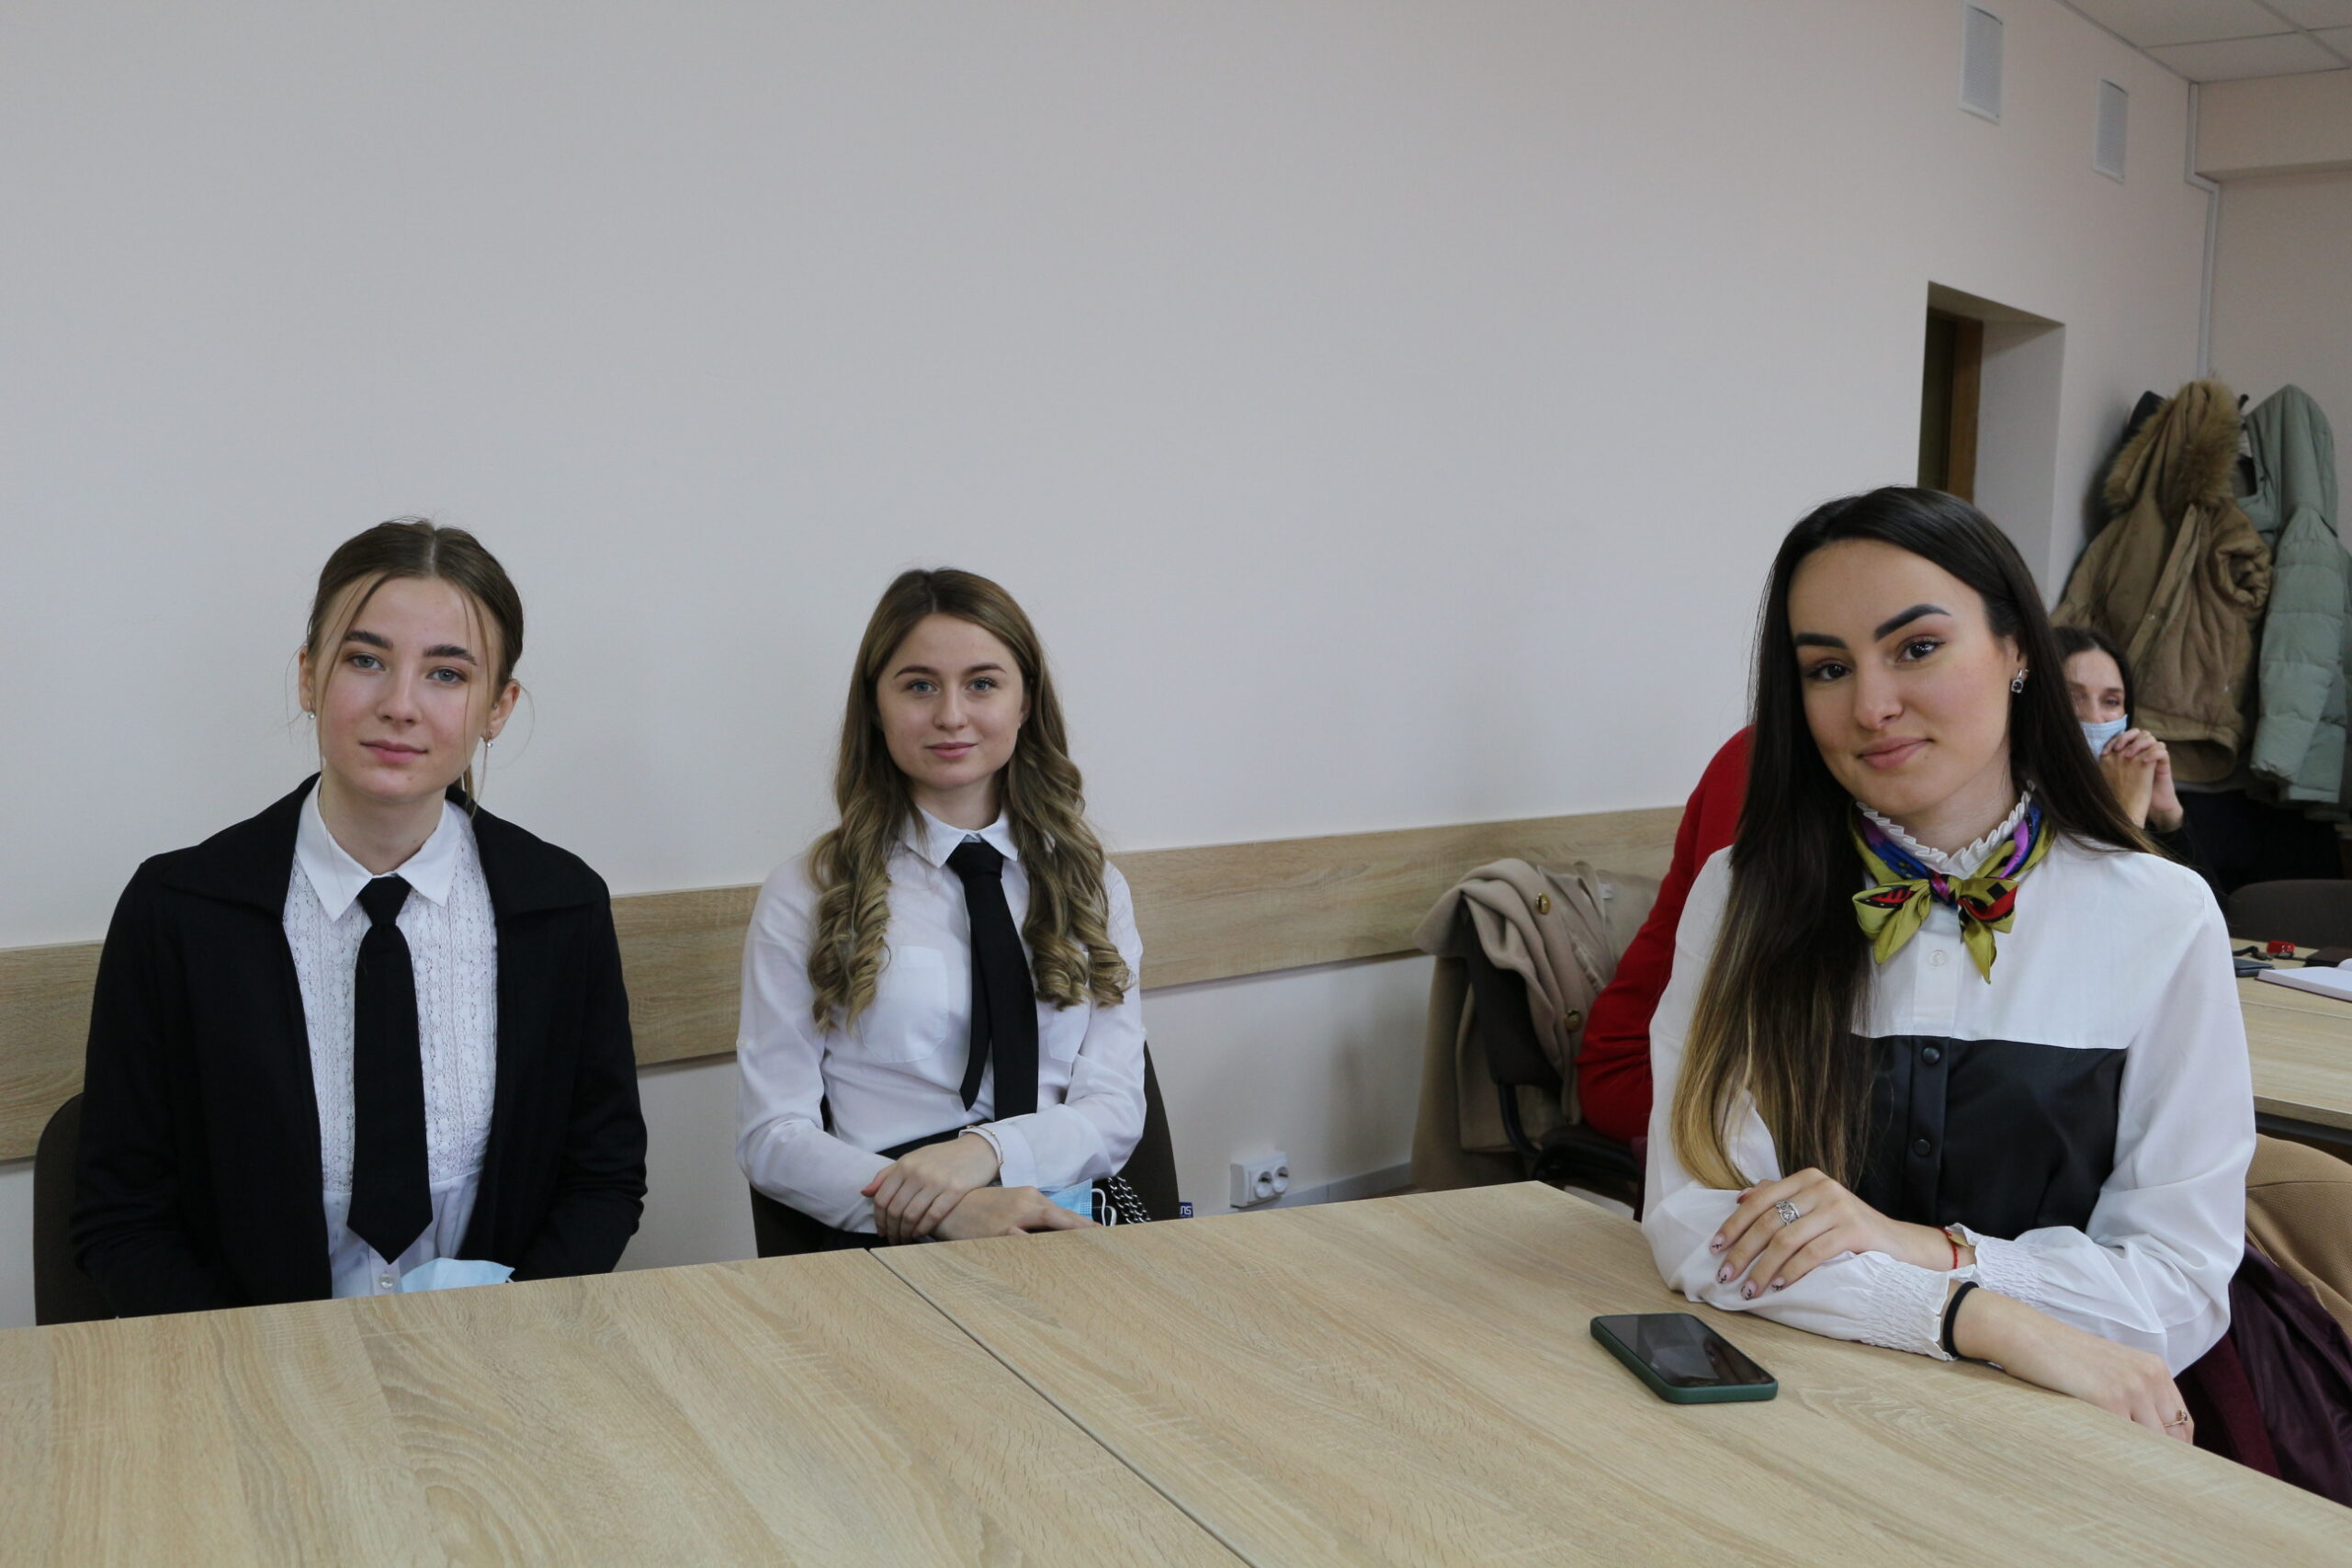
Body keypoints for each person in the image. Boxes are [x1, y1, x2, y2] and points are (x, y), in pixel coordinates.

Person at [1645, 486, 2251, 1450]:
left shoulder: (2161, 913)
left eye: (1917, 648)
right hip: (1793, 1418)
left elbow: (2175, 1285)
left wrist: (1918, 1249)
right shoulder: (1741, 894)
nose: (1871, 706)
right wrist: (1977, 1316)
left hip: (2070, 1437)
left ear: (2017, 651)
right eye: (1828, 668)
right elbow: (1699, 1226)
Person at [74, 519, 648, 1316]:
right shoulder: (178, 912)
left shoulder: (561, 906)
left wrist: (506, 1327)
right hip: (250, 1363)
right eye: (365, 660)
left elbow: (603, 1177)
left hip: (501, 1355)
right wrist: (266, 1359)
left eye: (447, 674)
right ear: (309, 676)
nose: (399, 705)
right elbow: (122, 1214)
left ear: (498, 706)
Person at [737, 568, 1145, 1246]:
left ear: (1024, 702)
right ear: (876, 706)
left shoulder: (1091, 883)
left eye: (982, 683)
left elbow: (1117, 1106)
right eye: (920, 685)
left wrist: (988, 1151)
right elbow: (772, 1136)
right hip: (894, 1223)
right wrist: (946, 1209)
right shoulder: (808, 891)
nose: (951, 715)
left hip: (1064, 1210)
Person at [2054, 625, 2193, 861]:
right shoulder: (2015, 804)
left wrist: (2167, 816)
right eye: (2072, 698)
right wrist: (2127, 814)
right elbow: (2105, 882)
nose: (2095, 717)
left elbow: (2196, 885)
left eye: (2111, 701)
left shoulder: (2134, 785)